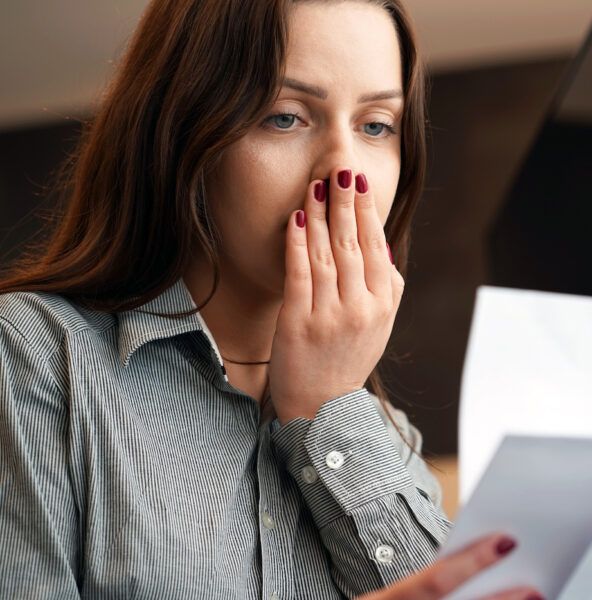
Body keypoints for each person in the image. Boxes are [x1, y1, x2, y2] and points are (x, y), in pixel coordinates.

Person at [0, 0, 544, 598]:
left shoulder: (384, 437)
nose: (344, 166)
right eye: (285, 117)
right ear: (180, 134)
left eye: (375, 126)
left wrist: (328, 405)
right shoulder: (32, 356)